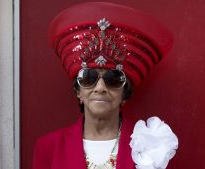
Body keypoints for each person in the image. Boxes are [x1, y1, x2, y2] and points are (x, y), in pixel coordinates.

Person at [33, 2, 178, 169]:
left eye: (113, 78)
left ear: (125, 92)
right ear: (78, 90)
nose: (100, 87)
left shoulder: (153, 145)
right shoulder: (49, 147)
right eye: (89, 77)